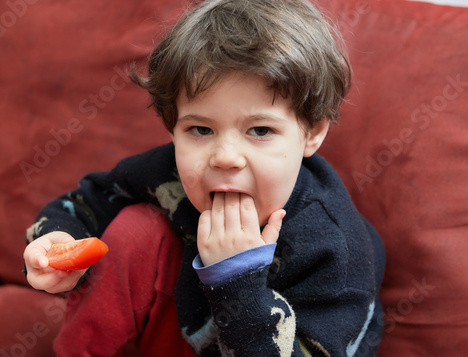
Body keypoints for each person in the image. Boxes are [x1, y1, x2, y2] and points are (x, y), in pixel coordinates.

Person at [23, 0, 386, 356]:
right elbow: (87, 200)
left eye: (260, 130)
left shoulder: (333, 247)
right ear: (173, 129)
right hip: (179, 329)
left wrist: (237, 281)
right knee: (137, 226)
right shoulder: (166, 172)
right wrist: (56, 241)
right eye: (200, 129)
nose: (225, 157)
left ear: (311, 133)